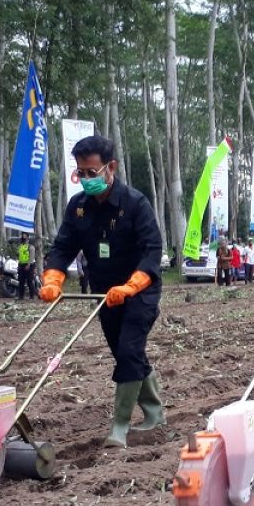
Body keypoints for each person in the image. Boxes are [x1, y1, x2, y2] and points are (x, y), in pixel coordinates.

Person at [40, 135, 166, 448]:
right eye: (80, 173)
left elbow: (153, 250)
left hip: (140, 290)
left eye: (91, 172)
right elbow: (64, 245)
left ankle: (119, 427)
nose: (85, 179)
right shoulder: (78, 207)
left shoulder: (135, 203)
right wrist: (53, 278)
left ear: (111, 168)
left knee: (128, 349)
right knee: (126, 352)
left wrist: (132, 285)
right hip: (103, 294)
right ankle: (155, 412)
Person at [16, 232, 36, 300]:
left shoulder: (31, 246)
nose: (23, 237)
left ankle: (32, 296)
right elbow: (19, 255)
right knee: (21, 281)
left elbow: (32, 256)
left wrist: (28, 264)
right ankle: (21, 296)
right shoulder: (20, 246)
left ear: (27, 238)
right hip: (21, 264)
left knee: (29, 280)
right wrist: (18, 264)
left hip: (29, 264)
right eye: (22, 236)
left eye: (24, 236)